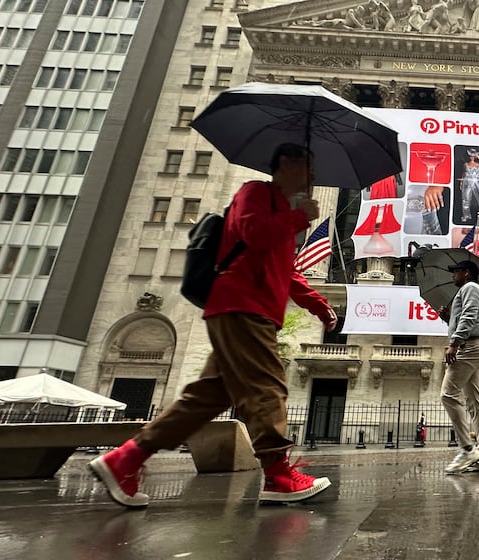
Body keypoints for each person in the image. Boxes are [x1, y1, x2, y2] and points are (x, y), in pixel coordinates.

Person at [89, 144, 339, 508]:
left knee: (208, 395)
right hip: (241, 307)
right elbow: (253, 234)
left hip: (254, 311)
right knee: (268, 386)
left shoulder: (284, 211)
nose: (314, 177)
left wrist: (320, 306)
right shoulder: (254, 193)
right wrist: (298, 219)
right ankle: (278, 474)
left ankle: (125, 459)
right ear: (285, 163)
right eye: (309, 168)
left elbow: (286, 271)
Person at [438, 260, 479, 474]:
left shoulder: (470, 287)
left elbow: (470, 316)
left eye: (455, 272)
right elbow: (466, 316)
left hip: (469, 347)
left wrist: (453, 343)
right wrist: (448, 319)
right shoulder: (467, 290)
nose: (453, 275)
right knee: (475, 403)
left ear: (466, 273)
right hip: (474, 346)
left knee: (448, 394)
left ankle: (467, 448)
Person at [458, 149, 479, 224]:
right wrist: (461, 182)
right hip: (467, 182)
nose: (472, 157)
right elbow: (464, 173)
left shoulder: (478, 164)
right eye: (470, 156)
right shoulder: (466, 164)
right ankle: (466, 215)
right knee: (465, 199)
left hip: (477, 183)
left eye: (473, 156)